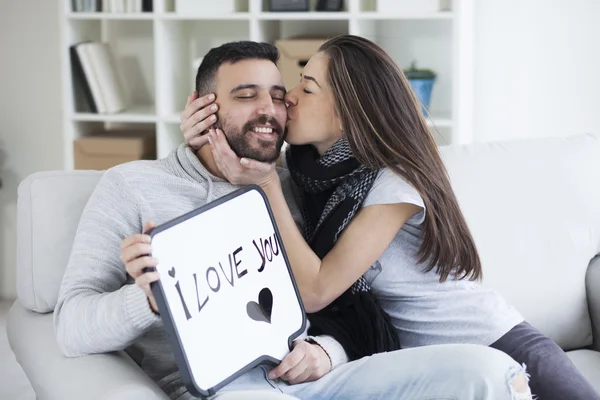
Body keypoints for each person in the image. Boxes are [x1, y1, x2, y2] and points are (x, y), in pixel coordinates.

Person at [55, 40, 532, 400]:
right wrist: (149, 301)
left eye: (280, 96)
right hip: (230, 388)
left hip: (319, 376)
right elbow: (70, 327)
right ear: (202, 105)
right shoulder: (132, 185)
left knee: (487, 370)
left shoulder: (294, 186)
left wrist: (328, 351)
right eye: (245, 95)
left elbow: (345, 305)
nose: (269, 110)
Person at [178, 35, 597, 400]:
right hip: (436, 368)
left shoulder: (394, 181)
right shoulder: (310, 174)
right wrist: (201, 131)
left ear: (346, 115)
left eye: (307, 88)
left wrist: (266, 186)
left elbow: (317, 290)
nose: (288, 96)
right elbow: (246, 148)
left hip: (502, 348)